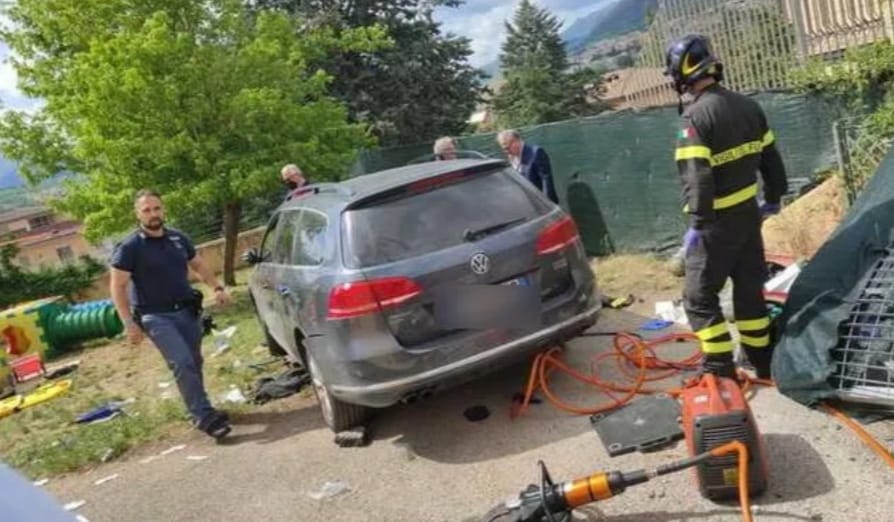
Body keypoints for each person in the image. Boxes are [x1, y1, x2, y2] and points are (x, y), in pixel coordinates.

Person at [665, 34, 788, 380]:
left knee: (698, 298)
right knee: (750, 291)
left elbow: (697, 179)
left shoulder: (695, 119)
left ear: (681, 73)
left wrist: (698, 226)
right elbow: (772, 162)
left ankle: (719, 368)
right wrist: (774, 198)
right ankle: (761, 361)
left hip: (714, 224)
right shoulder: (749, 106)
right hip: (749, 217)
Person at [110, 189, 234, 440]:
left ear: (163, 209)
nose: (153, 214)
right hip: (155, 317)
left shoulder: (178, 238)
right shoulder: (130, 247)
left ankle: (202, 408)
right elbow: (118, 286)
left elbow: (197, 264)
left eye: (156, 208)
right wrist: (128, 323)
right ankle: (205, 418)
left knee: (194, 362)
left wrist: (217, 287)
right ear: (138, 214)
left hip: (187, 311)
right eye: (146, 210)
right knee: (182, 362)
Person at [496, 130, 559, 204]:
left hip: (542, 203)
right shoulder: (512, 157)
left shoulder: (535, 152)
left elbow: (546, 180)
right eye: (504, 149)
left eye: (506, 148)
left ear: (516, 141)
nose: (506, 152)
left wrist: (547, 204)